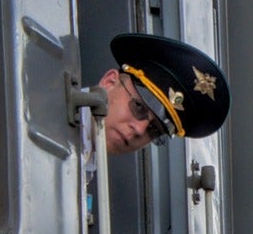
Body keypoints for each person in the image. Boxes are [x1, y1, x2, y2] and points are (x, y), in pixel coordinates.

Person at [89, 33, 230, 159]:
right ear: (109, 82)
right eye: (138, 107)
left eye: (154, 129)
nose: (140, 130)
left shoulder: (90, 163)